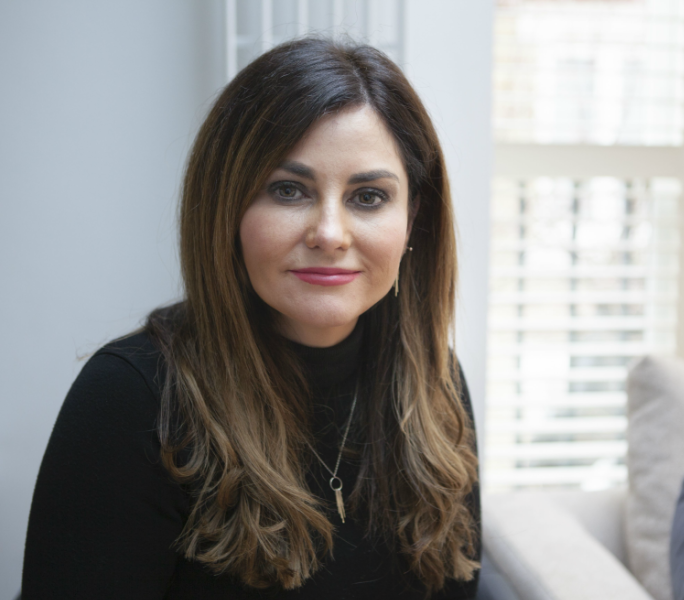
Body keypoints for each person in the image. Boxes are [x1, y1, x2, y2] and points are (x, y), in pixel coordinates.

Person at [21, 37, 481, 599]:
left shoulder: (436, 385)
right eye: (288, 191)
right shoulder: (132, 398)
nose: (330, 234)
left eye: (368, 197)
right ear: (227, 208)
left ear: (414, 220)